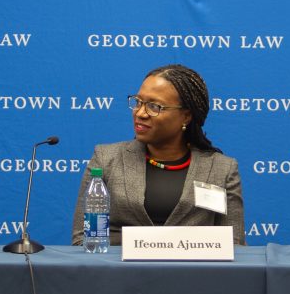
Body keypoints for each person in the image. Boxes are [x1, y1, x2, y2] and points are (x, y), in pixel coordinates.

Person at [72, 64, 245, 245]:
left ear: (186, 116)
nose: (140, 113)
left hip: (192, 273)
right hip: (119, 271)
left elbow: (234, 246)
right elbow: (82, 239)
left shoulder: (222, 169)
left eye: (154, 106)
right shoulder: (106, 159)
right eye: (138, 102)